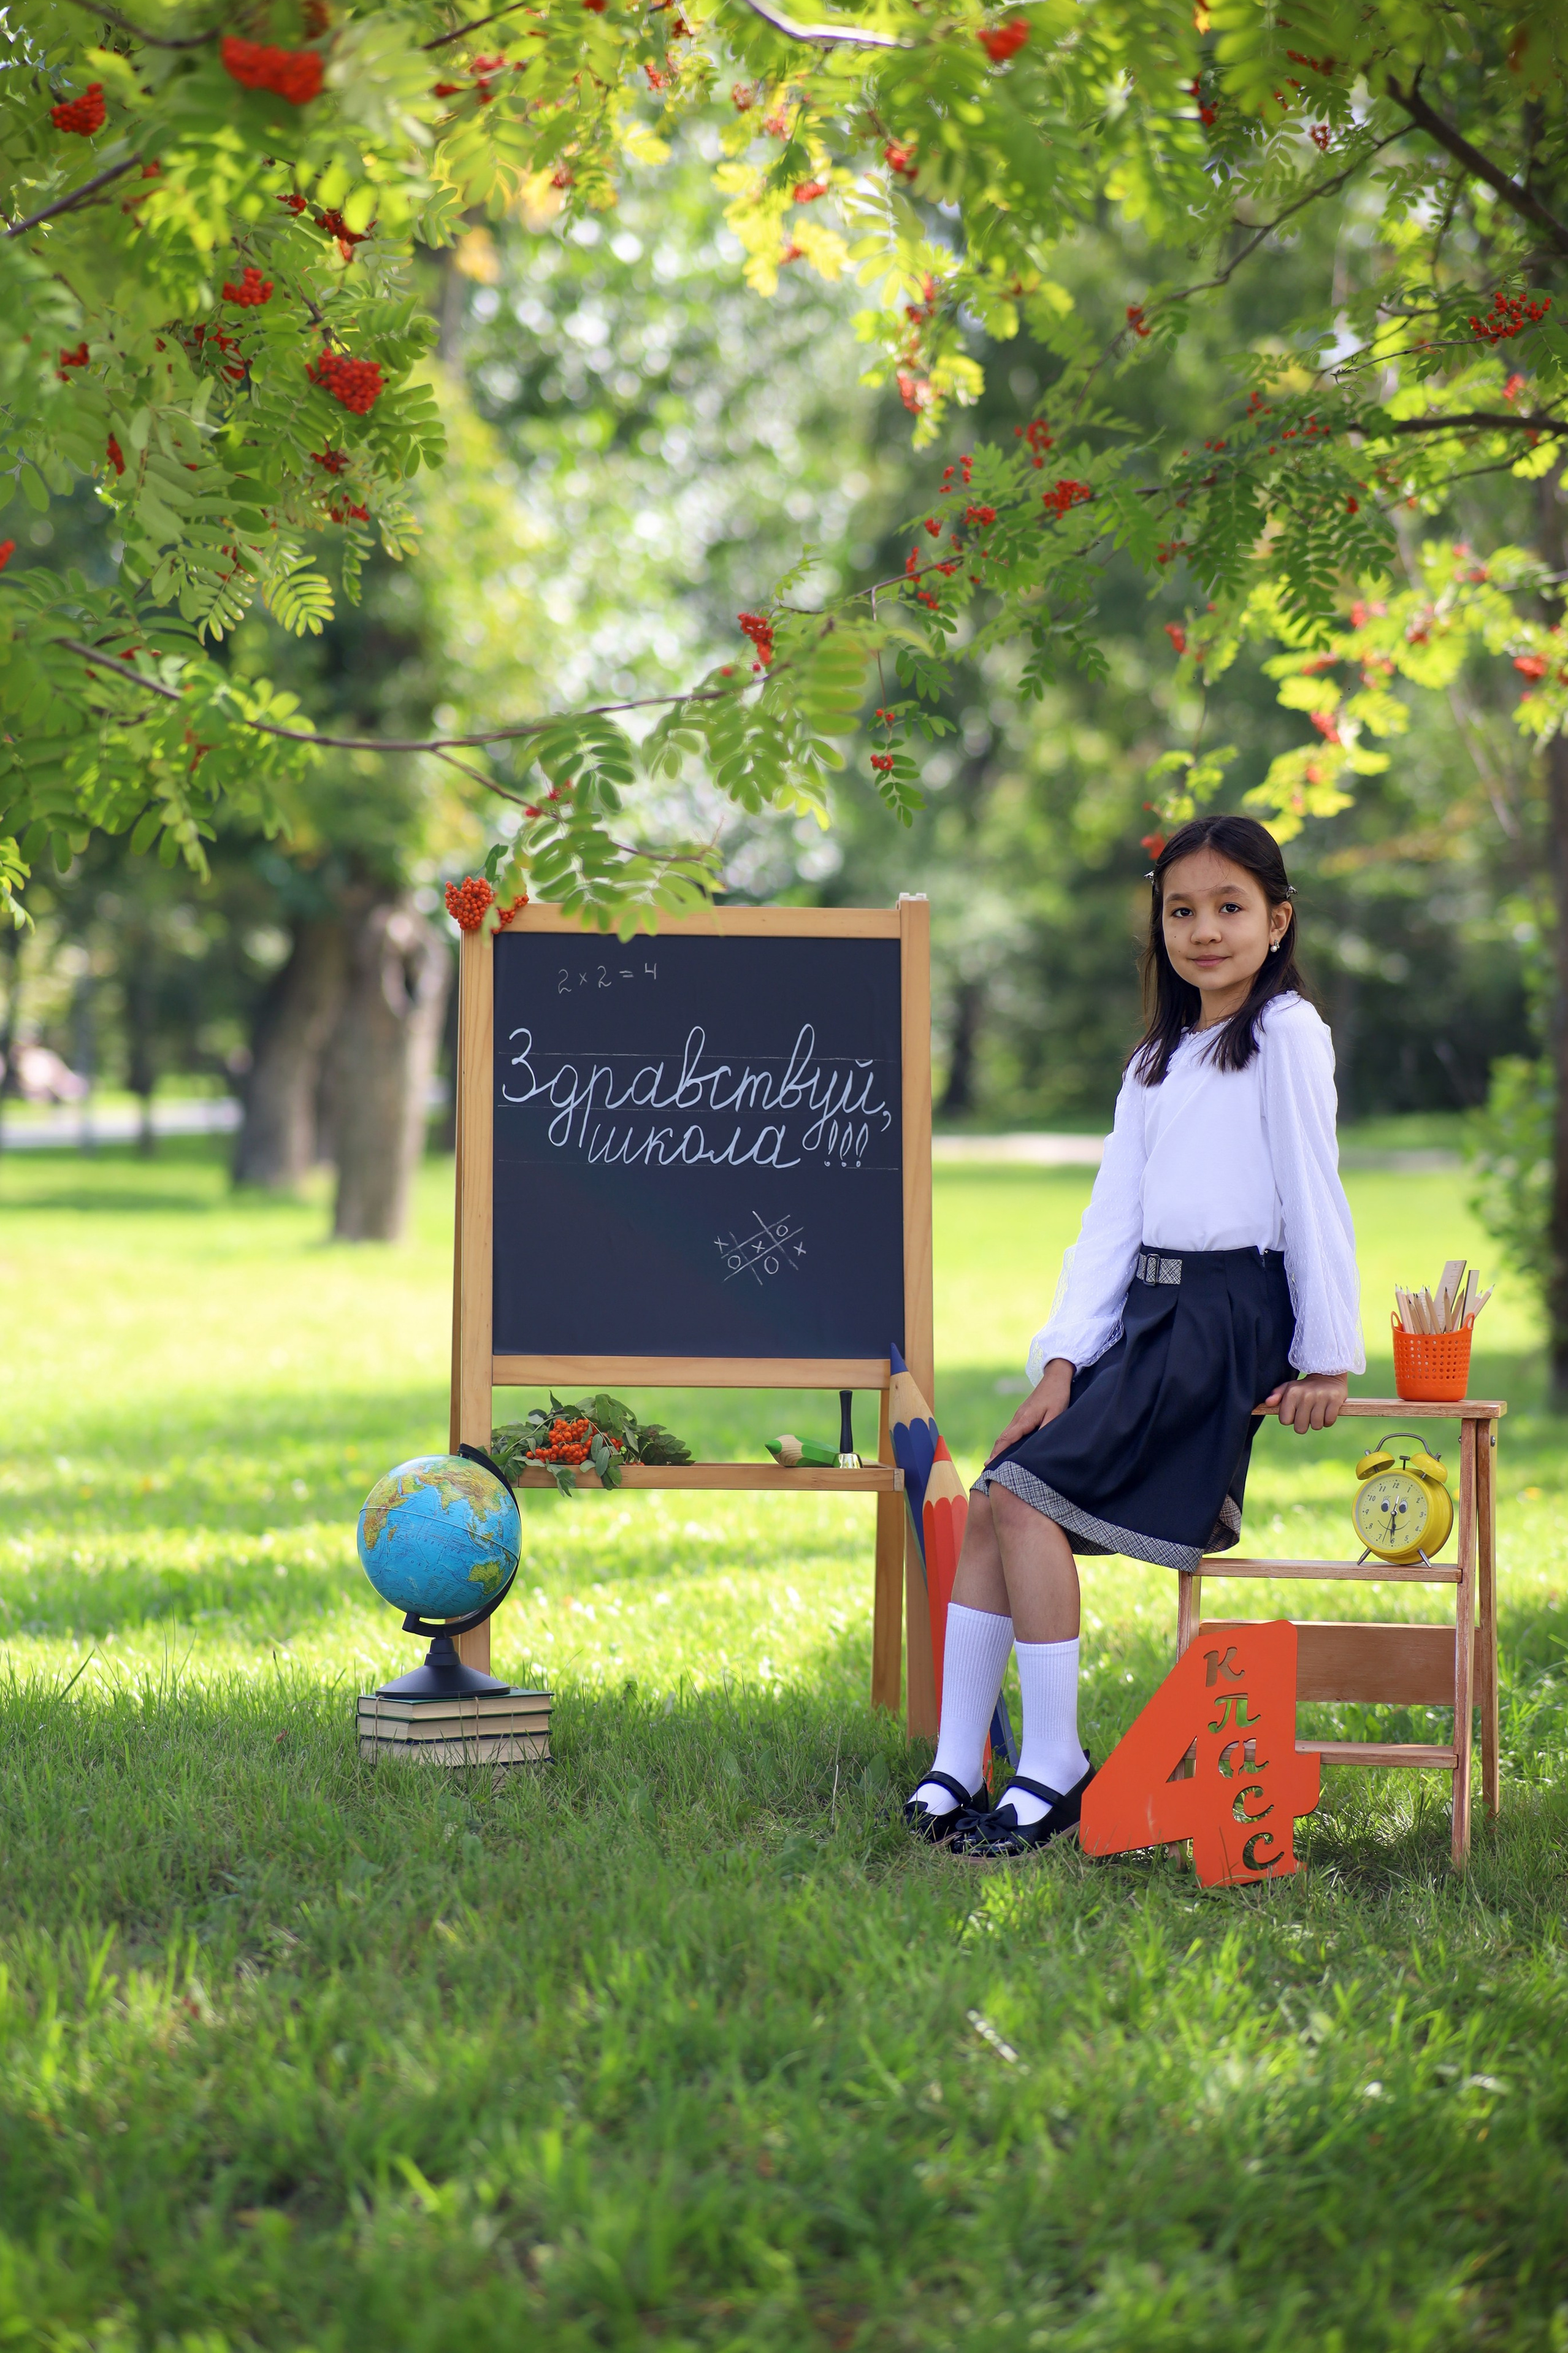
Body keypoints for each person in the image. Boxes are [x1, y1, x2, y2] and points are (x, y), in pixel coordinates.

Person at [905, 812, 1364, 1858]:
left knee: (1020, 1501)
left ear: (1278, 919)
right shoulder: (1158, 1057)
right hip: (1146, 1319)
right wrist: (1063, 1359)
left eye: (1230, 908)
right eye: (1182, 911)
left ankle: (1054, 1764)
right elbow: (1111, 1219)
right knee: (994, 1495)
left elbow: (1314, 1191)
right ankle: (954, 1758)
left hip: (1226, 1320)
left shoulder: (1286, 1034)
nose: (1205, 930)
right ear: (1158, 927)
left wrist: (1326, 1353)